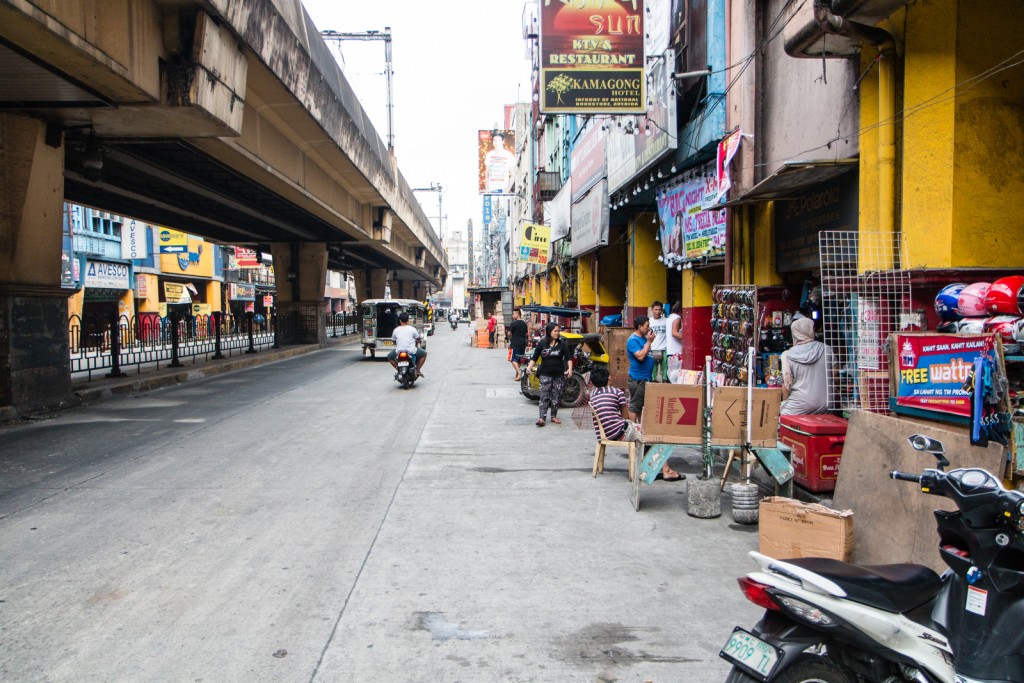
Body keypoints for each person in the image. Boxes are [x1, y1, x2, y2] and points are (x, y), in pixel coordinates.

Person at [589, 366, 682, 481]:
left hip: (605, 433)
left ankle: (648, 468)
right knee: (653, 434)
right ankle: (666, 470)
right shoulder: (616, 392)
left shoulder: (592, 395)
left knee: (642, 434)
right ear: (609, 378)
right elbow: (626, 417)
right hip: (620, 432)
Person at [780, 317, 832, 415]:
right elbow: (834, 374)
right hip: (826, 405)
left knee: (781, 415)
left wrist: (784, 402)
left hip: (798, 406)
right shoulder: (826, 349)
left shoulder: (787, 355)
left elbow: (786, 386)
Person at [526, 322, 573, 427]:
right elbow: (534, 357)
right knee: (544, 396)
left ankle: (553, 416)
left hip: (559, 375)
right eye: (555, 331)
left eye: (558, 331)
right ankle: (542, 418)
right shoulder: (542, 344)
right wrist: (528, 368)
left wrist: (570, 369)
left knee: (557, 396)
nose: (557, 333)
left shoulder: (562, 345)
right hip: (545, 374)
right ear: (549, 331)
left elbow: (569, 358)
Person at [626, 315, 655, 422]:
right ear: (640, 326)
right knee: (635, 405)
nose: (648, 328)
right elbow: (640, 356)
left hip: (644, 377)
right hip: (638, 378)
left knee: (640, 405)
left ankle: (640, 428)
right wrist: (649, 342)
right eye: (647, 326)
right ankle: (633, 429)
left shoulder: (643, 339)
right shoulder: (633, 340)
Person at [387, 312, 427, 377]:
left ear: (400, 320)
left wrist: (397, 343)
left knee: (389, 356)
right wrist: (419, 341)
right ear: (408, 320)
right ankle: (418, 370)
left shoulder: (396, 330)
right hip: (411, 350)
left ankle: (398, 369)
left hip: (399, 351)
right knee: (424, 354)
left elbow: (393, 341)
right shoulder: (412, 329)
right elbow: (418, 339)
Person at [507, 308, 529, 381]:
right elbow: (526, 334)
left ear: (517, 314)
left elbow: (509, 333)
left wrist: (509, 339)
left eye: (513, 314)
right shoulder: (524, 323)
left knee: (512, 359)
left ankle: (519, 372)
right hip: (522, 344)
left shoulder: (513, 323)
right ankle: (517, 375)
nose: (513, 316)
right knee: (519, 360)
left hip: (515, 343)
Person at [648, 301, 668, 382]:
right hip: (653, 349)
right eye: (655, 309)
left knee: (665, 371)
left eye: (659, 310)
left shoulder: (667, 320)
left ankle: (665, 385)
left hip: (664, 348)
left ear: (662, 310)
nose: (657, 312)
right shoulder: (648, 322)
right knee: (653, 370)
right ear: (652, 310)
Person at [666, 301, 683, 373]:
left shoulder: (670, 317)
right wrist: (688, 338)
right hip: (676, 352)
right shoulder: (677, 318)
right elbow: (674, 333)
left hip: (670, 351)